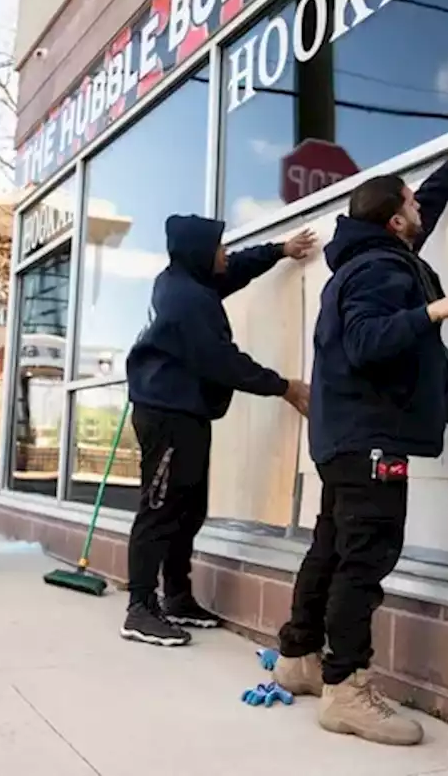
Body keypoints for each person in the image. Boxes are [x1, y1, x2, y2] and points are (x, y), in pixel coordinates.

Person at [272, 105, 448, 746]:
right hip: (370, 438)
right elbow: (370, 341)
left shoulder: (373, 256)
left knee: (333, 547)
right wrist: (441, 307)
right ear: (395, 221)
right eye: (410, 206)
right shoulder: (378, 270)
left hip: (345, 437)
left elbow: (419, 205)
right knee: (363, 559)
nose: (419, 211)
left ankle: (299, 659)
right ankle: (347, 689)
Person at [120, 215, 315, 647]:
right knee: (160, 509)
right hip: (166, 416)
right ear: (199, 254)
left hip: (186, 414)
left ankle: (176, 596)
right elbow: (222, 361)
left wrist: (279, 250)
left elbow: (235, 267)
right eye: (219, 247)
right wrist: (284, 387)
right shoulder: (186, 301)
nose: (225, 253)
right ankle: (139, 608)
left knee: (187, 511)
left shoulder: (186, 280)